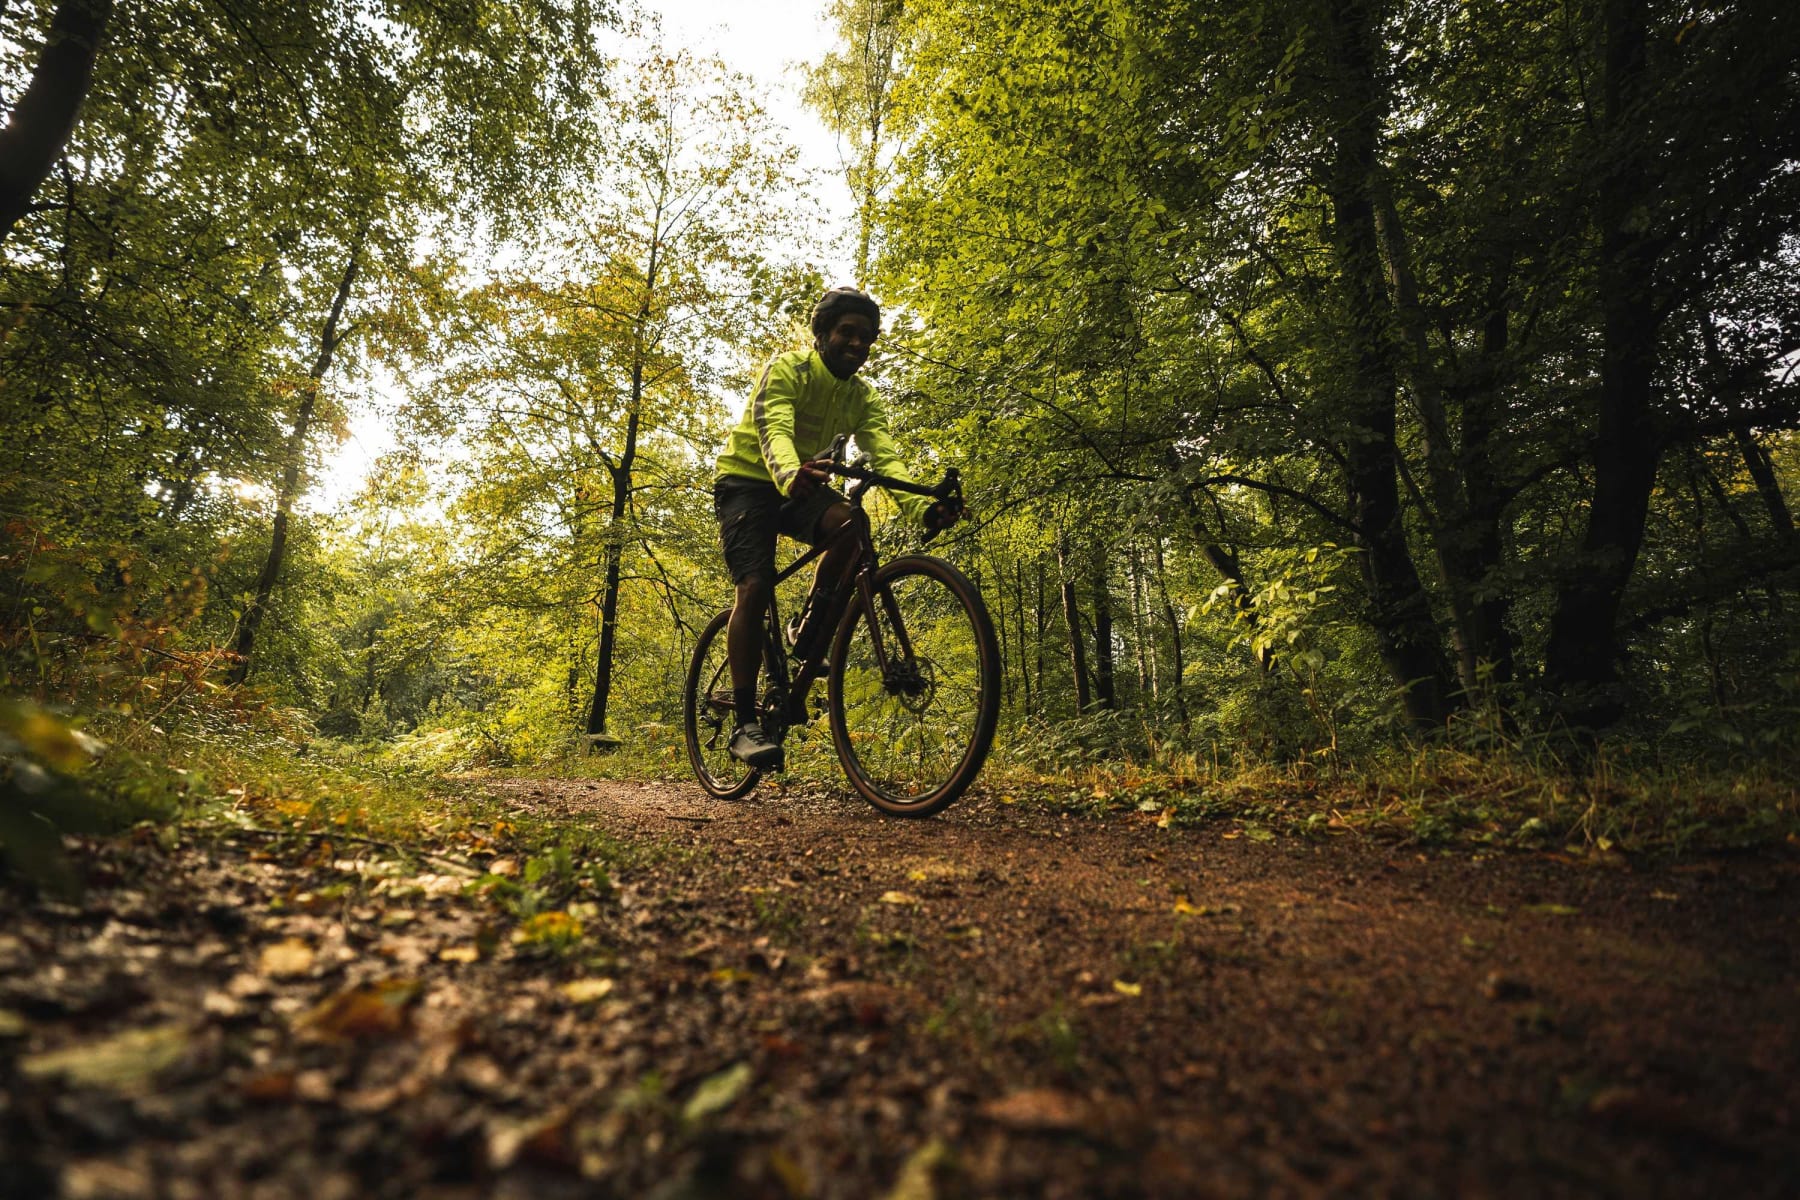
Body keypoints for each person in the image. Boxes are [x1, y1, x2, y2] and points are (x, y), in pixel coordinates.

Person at [712, 287, 962, 767]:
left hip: (800, 483)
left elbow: (884, 455)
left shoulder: (861, 396)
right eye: (847, 332)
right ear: (822, 334)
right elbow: (774, 428)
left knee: (851, 524)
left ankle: (807, 630)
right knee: (756, 585)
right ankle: (745, 724)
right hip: (747, 480)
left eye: (866, 337)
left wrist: (922, 508)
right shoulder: (788, 369)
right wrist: (789, 473)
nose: (857, 343)